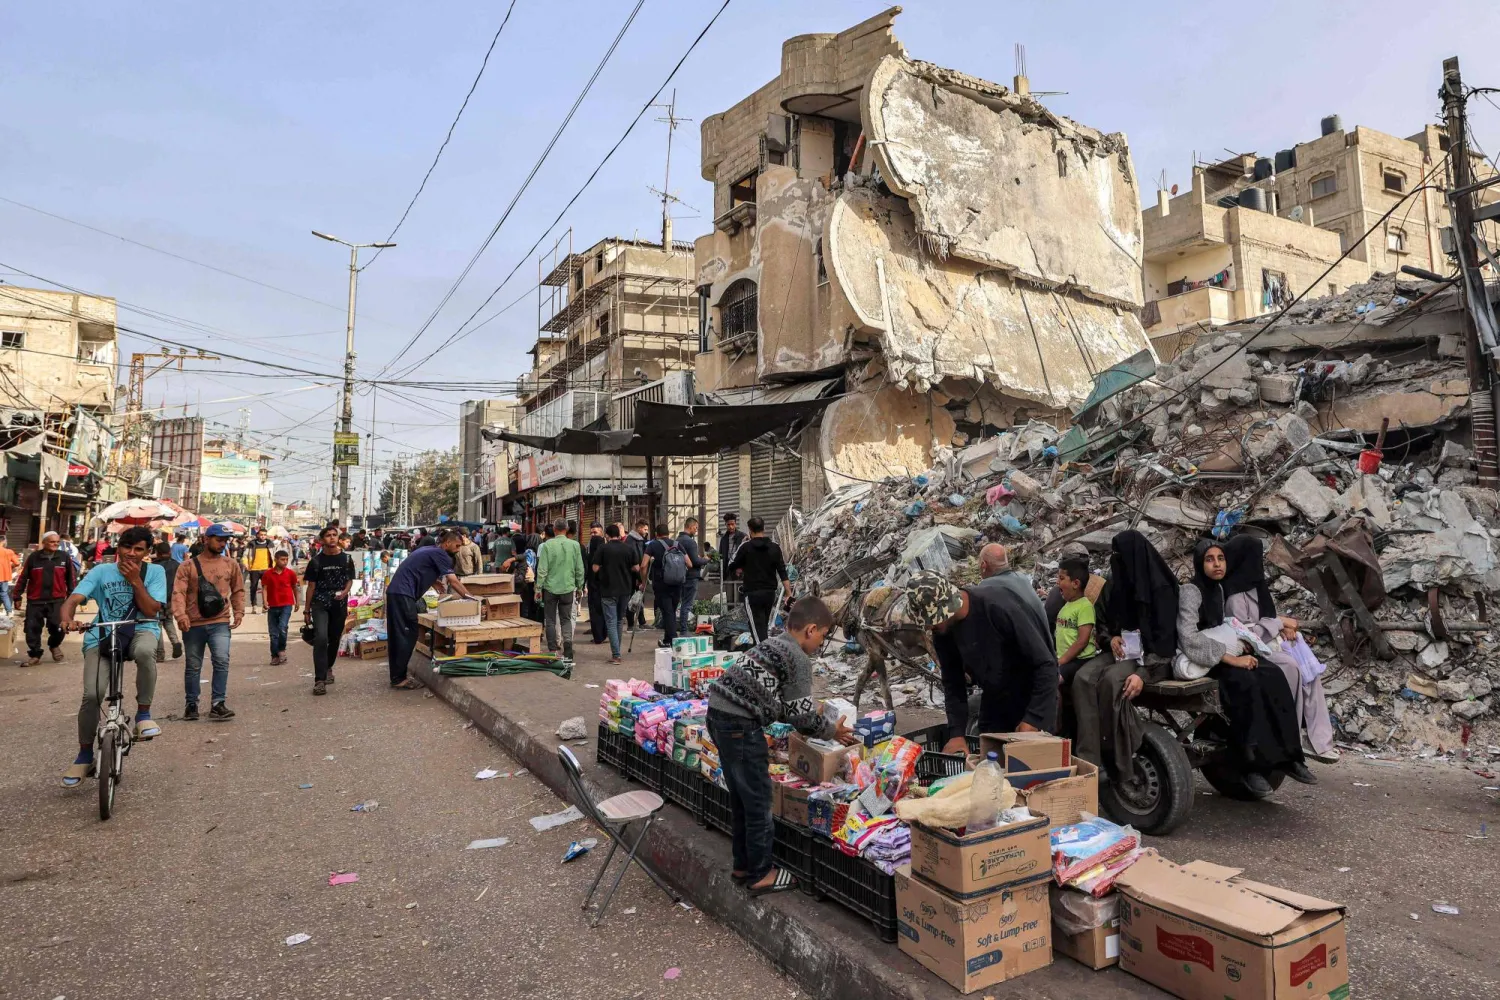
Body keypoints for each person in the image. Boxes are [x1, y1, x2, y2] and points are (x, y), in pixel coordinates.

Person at [706, 597, 856, 895]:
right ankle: (760, 873)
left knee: (742, 799)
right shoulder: (797, 658)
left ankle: (743, 865)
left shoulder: (772, 644)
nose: (821, 642)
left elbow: (778, 704)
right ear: (811, 630)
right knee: (760, 801)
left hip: (718, 715)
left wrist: (806, 713)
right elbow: (801, 718)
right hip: (739, 726)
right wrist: (832, 731)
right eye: (823, 635)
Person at [1178, 538, 1315, 794]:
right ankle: (1250, 766)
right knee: (1247, 685)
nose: (1217, 564)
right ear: (1199, 563)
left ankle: (1291, 757)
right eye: (1209, 559)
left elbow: (1228, 625)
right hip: (1207, 660)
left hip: (1229, 651)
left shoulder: (1219, 589)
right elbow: (1188, 638)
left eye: (1221, 559)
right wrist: (1231, 658)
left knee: (1274, 675)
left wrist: (1245, 643)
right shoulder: (1191, 591)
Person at [57, 525, 166, 786]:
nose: (131, 553)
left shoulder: (155, 572)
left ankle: (143, 715)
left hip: (141, 628)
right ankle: (84, 756)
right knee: (92, 695)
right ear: (118, 548)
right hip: (104, 633)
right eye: (127, 547)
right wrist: (68, 619)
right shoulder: (101, 571)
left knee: (145, 651)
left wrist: (136, 581)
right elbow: (72, 601)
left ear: (147, 552)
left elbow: (152, 610)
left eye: (138, 549)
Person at [1066, 530, 1177, 781]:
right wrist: (1111, 638)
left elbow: (1166, 642)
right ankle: (1089, 760)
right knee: (1083, 678)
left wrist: (1142, 674)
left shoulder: (1161, 589)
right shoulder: (1115, 586)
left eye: (1121, 555)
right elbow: (1102, 623)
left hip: (1154, 658)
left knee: (1110, 681)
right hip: (1123, 651)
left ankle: (1116, 756)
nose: (1116, 560)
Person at [1220, 535, 1338, 762]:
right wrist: (1279, 623)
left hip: (1269, 642)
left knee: (1310, 670)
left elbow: (1266, 618)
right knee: (1291, 666)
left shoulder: (1256, 587)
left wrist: (1282, 627)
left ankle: (1319, 741)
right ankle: (1291, 738)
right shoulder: (1235, 596)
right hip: (1253, 649)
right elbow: (1245, 635)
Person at [931, 544, 1059, 753]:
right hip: (996, 697)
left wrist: (1033, 719)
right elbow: (953, 682)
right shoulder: (942, 630)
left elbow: (1046, 664)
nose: (929, 627)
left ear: (947, 608)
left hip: (1034, 694)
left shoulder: (998, 606)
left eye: (931, 620)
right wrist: (956, 733)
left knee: (1032, 765)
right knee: (990, 762)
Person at [170, 523, 244, 721]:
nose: (222, 544)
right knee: (193, 666)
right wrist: (181, 615)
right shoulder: (187, 566)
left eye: (225, 541)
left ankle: (218, 703)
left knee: (222, 661)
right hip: (193, 623)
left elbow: (238, 590)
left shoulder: (231, 564)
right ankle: (191, 704)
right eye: (218, 540)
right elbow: (178, 592)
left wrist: (239, 612)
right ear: (205, 539)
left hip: (220, 621)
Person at [386, 528, 475, 688]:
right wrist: (472, 600)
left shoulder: (429, 550)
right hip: (403, 594)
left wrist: (434, 581)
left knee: (399, 635)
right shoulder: (441, 554)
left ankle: (397, 676)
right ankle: (399, 679)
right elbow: (454, 581)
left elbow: (419, 567)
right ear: (447, 543)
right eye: (457, 546)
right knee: (408, 634)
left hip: (397, 593)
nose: (458, 549)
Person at [302, 525, 354, 695]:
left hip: (339, 605)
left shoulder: (346, 559)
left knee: (334, 638)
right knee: (321, 638)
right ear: (322, 540)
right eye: (328, 535)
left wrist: (345, 592)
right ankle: (319, 680)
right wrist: (307, 611)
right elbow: (311, 587)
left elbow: (349, 580)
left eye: (334, 535)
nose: (332, 537)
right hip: (320, 604)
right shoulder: (316, 562)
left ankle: (328, 667)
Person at [18, 531, 78, 666]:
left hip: (57, 600)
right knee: (32, 628)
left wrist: (72, 598)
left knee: (59, 626)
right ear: (44, 543)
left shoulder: (64, 557)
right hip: (35, 600)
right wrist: (17, 596)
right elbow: (23, 577)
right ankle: (35, 655)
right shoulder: (34, 557)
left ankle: (54, 645)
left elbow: (71, 578)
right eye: (52, 542)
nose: (55, 544)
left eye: (57, 542)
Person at [728, 517, 790, 644]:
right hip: (769, 594)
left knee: (756, 629)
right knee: (762, 626)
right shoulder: (775, 547)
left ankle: (763, 652)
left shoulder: (745, 547)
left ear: (750, 530)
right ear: (764, 528)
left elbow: (731, 565)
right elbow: (782, 572)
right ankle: (764, 648)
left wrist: (741, 546)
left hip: (752, 594)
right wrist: (788, 593)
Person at [592, 524, 640, 664]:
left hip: (608, 589)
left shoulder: (603, 548)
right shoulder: (628, 548)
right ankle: (617, 651)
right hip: (625, 589)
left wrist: (604, 569)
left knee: (611, 622)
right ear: (619, 534)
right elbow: (636, 568)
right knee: (619, 620)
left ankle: (616, 654)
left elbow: (595, 568)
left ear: (607, 535)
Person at [537, 519, 585, 658]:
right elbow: (579, 569)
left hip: (550, 589)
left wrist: (538, 588)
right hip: (568, 588)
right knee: (566, 619)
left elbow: (542, 569)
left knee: (550, 620)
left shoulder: (547, 545)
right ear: (567, 529)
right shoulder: (575, 545)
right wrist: (580, 587)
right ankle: (568, 646)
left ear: (554, 529)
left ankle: (553, 650)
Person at [642, 523, 689, 647]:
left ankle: (674, 641)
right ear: (668, 533)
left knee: (667, 612)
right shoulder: (677, 545)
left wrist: (644, 581)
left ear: (656, 534)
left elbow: (643, 565)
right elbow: (689, 563)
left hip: (661, 584)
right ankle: (667, 640)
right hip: (677, 584)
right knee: (670, 612)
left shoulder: (653, 545)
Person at [1053, 557, 1098, 673]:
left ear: (1076, 583)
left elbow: (1082, 641)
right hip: (1065, 658)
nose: (1057, 582)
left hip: (1080, 659)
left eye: (1061, 578)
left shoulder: (1085, 606)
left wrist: (1062, 660)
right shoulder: (1067, 605)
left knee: (1054, 679)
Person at [263, 548, 300, 666]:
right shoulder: (268, 574)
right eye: (282, 559)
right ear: (275, 560)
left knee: (282, 627)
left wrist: (297, 601)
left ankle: (282, 650)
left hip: (286, 604)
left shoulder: (290, 573)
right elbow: (264, 588)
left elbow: (294, 587)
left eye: (286, 559)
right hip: (273, 605)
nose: (285, 562)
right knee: (273, 633)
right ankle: (274, 655)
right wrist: (264, 601)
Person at [151, 541, 184, 661]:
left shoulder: (154, 566)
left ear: (158, 553)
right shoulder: (177, 565)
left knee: (157, 624)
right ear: (170, 552)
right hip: (171, 599)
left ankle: (160, 653)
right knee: (168, 621)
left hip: (157, 599)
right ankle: (175, 642)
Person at [676, 517, 708, 637]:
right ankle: (684, 630)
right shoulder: (690, 542)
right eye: (696, 528)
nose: (696, 530)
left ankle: (679, 628)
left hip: (680, 576)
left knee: (681, 603)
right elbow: (695, 561)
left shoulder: (677, 540)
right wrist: (705, 560)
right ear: (691, 526)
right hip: (691, 576)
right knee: (687, 604)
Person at [242, 527, 275, 613]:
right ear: (257, 535)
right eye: (261, 535)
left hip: (266, 569)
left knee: (267, 588)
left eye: (264, 535)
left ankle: (265, 605)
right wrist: (246, 565)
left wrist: (274, 567)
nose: (263, 536)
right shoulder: (251, 544)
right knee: (253, 587)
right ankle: (254, 606)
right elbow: (245, 555)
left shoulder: (270, 544)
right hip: (254, 569)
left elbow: (274, 556)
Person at [585, 523, 607, 645]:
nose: (593, 535)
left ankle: (600, 634)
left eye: (595, 532)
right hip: (594, 584)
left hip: (601, 584)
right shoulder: (590, 546)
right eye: (591, 533)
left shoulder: (604, 547)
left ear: (602, 533)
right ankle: (600, 634)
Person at [0, 535, 19, 615]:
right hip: (4, 576)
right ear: (4, 541)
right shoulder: (9, 552)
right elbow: (17, 563)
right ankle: (9, 611)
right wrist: (10, 566)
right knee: (4, 593)